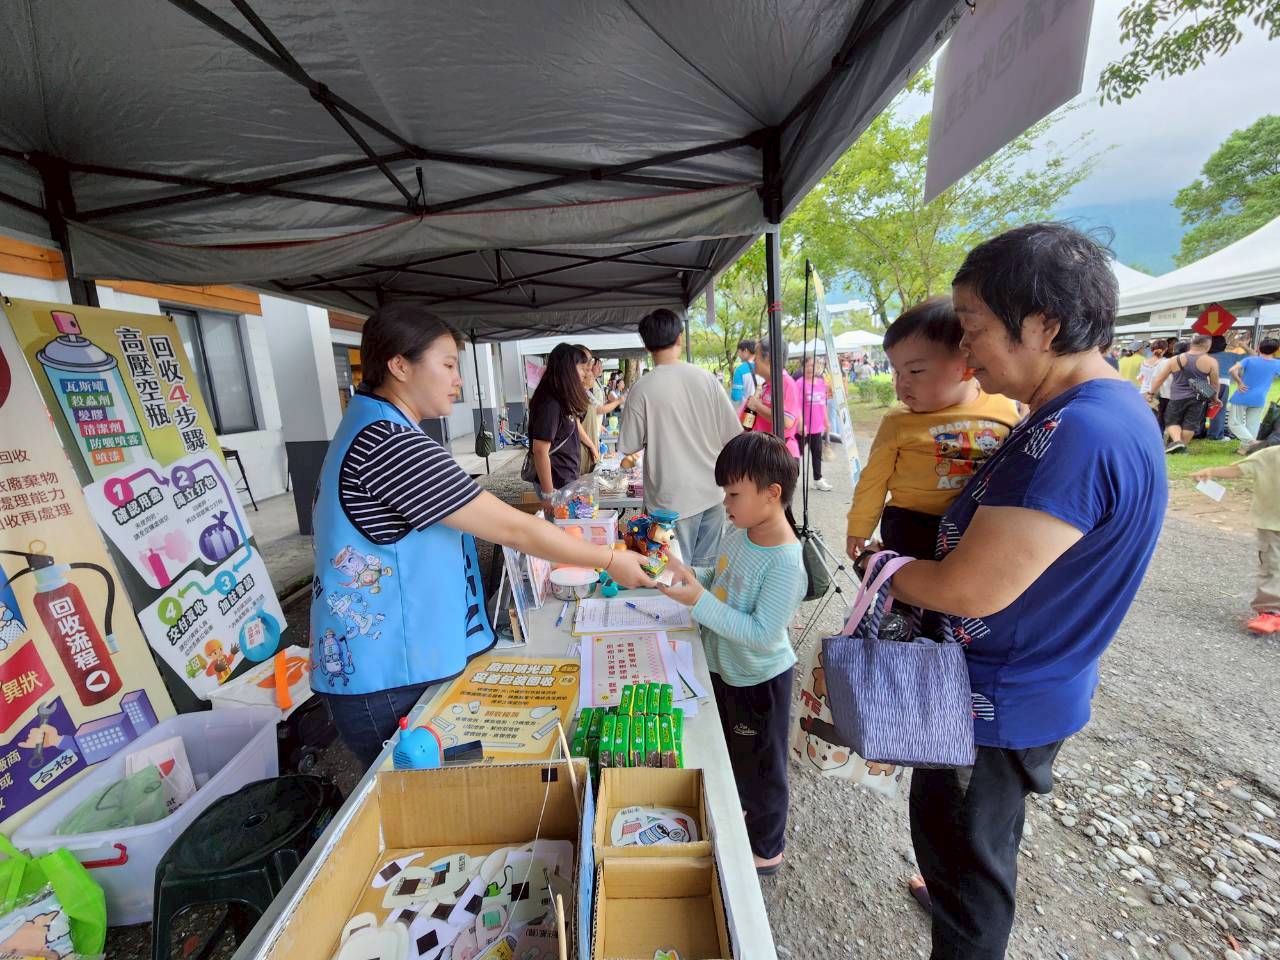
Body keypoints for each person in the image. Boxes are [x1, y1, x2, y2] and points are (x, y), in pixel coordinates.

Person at [876, 224, 1165, 960]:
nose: (964, 353)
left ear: (1044, 325)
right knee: (974, 843)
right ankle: (950, 888)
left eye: (973, 329)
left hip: (997, 700)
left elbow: (968, 590)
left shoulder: (1079, 435)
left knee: (969, 868)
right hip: (1022, 685)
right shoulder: (1091, 411)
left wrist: (880, 569)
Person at [309, 305, 655, 766]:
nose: (459, 381)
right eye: (448, 365)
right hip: (388, 679)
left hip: (388, 669)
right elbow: (513, 527)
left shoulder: (373, 428)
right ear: (398, 365)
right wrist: (610, 560)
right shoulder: (389, 443)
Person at [657, 431, 806, 875]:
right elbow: (718, 578)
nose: (726, 502)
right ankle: (744, 811)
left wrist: (697, 601)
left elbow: (762, 633)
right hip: (727, 670)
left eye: (734, 493)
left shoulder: (784, 561)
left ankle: (767, 846)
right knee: (736, 753)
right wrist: (686, 572)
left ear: (772, 494)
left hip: (760, 680)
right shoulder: (740, 532)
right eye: (725, 493)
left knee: (764, 768)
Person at [845, 297, 1021, 563]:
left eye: (915, 371)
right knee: (914, 588)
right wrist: (860, 526)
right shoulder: (897, 422)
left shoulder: (1003, 407)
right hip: (913, 522)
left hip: (978, 521)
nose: (902, 384)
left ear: (966, 366)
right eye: (896, 372)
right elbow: (873, 480)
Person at [618, 308, 743, 566]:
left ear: (646, 345)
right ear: (679, 338)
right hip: (712, 491)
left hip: (669, 500)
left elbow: (629, 444)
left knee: (670, 573)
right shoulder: (706, 379)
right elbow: (733, 434)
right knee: (705, 572)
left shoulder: (641, 389)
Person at [1193, 448, 1280, 633]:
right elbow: (1238, 469)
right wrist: (1211, 472)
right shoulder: (1270, 455)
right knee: (1273, 566)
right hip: (1272, 523)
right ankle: (1271, 611)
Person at [528, 343, 593, 504]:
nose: (584, 373)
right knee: (561, 528)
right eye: (581, 368)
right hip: (556, 484)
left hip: (565, 480)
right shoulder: (550, 403)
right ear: (569, 370)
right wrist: (549, 494)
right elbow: (540, 450)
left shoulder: (561, 398)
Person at [1148, 334, 1219, 454]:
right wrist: (1215, 398)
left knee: (1171, 421)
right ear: (1208, 346)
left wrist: (1151, 393)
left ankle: (1177, 442)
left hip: (1176, 397)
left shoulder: (1174, 359)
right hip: (1198, 398)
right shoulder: (1211, 361)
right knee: (1190, 424)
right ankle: (1182, 446)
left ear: (1191, 344)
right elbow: (1214, 383)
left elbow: (1160, 378)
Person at [744, 339, 802, 461]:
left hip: (779, 457)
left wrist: (757, 406)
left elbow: (786, 421)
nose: (754, 360)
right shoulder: (766, 385)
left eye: (757, 355)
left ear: (768, 358)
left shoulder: (786, 383)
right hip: (764, 453)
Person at [1228, 339, 1280, 451]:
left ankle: (1251, 442)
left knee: (1235, 423)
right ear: (1276, 350)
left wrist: (1239, 382)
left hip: (1242, 395)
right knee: (1253, 425)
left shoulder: (1250, 360)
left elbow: (1232, 370)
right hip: (1260, 398)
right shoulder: (1277, 364)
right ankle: (1245, 449)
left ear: (1259, 347)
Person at [797, 356, 833, 491]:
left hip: (817, 426)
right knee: (796, 455)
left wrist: (826, 421)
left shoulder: (820, 383)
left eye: (813, 365)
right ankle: (790, 478)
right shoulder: (799, 384)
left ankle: (818, 479)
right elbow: (797, 406)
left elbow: (823, 404)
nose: (810, 368)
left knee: (817, 454)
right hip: (802, 428)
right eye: (807, 366)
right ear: (803, 367)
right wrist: (801, 424)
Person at [1206, 334, 1233, 440]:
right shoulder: (1229, 356)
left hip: (1203, 383)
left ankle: (1198, 431)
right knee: (1218, 409)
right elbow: (1253, 355)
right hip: (1222, 383)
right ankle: (1215, 435)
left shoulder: (1204, 356)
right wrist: (1243, 345)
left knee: (1201, 408)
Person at [730, 339, 757, 406]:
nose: (739, 355)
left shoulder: (740, 370)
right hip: (764, 410)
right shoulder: (765, 366)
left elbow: (736, 397)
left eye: (739, 352)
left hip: (749, 410)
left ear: (745, 350)